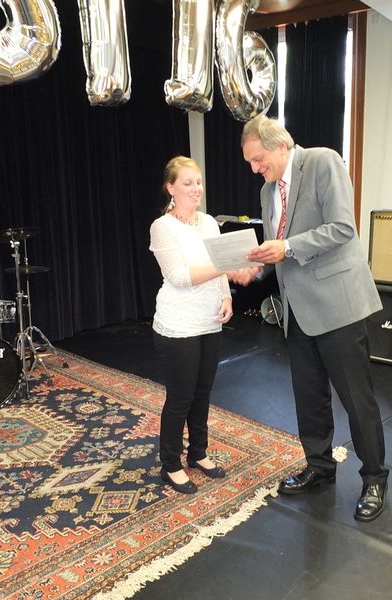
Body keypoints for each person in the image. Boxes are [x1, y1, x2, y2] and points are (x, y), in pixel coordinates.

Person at [232, 116, 389, 522]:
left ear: (281, 145)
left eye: (258, 159)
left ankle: (374, 478)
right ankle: (319, 467)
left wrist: (285, 247)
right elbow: (277, 248)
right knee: (309, 397)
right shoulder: (268, 191)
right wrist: (256, 270)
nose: (255, 169)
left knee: (356, 399)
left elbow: (342, 228)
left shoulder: (322, 162)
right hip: (297, 311)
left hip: (338, 306)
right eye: (250, 163)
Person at [149, 156, 233, 494]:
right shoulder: (162, 227)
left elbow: (220, 265)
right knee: (180, 397)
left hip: (209, 320)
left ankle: (198, 453)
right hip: (179, 324)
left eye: (198, 182)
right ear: (171, 188)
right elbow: (179, 277)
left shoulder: (210, 222)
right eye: (187, 183)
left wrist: (226, 296)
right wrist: (225, 267)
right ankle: (170, 463)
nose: (196, 188)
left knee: (202, 393)